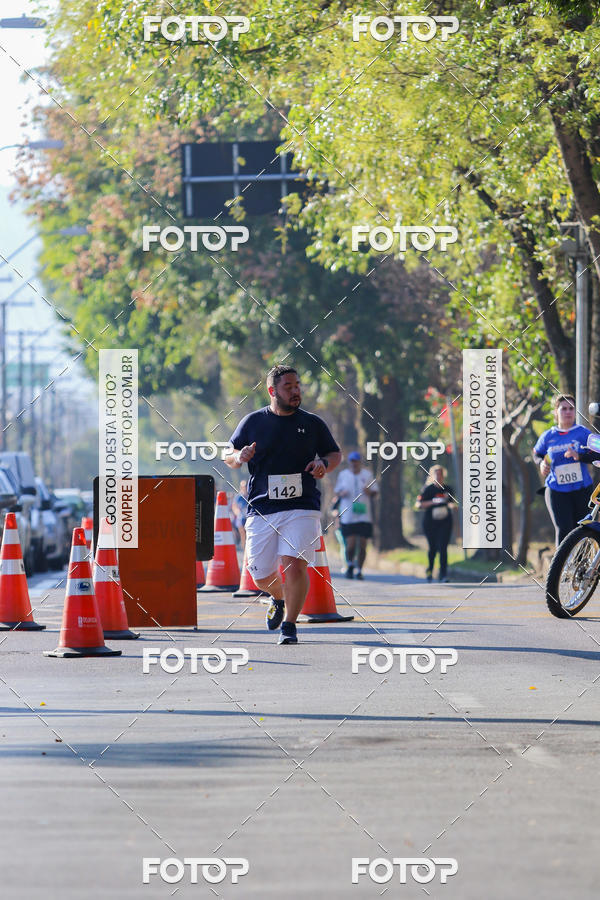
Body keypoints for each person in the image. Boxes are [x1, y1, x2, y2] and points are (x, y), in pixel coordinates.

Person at [226, 365, 341, 644]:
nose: (295, 390)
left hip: (303, 505)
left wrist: (323, 463)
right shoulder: (253, 422)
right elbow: (227, 455)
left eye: (297, 385)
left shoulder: (312, 423)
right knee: (259, 575)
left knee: (294, 564)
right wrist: (240, 456)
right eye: (288, 386)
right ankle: (276, 596)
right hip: (262, 507)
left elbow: (334, 453)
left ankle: (289, 625)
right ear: (272, 391)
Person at [533, 394, 597, 546]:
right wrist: (541, 463)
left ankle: (583, 568)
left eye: (571, 409)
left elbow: (597, 454)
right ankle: (560, 568)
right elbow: (537, 454)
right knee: (564, 528)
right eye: (564, 409)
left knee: (583, 529)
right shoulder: (548, 436)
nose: (568, 412)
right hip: (556, 490)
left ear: (575, 412)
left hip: (582, 489)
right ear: (556, 412)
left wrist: (579, 456)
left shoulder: (582, 433)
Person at [334, 451, 379, 579]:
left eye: (356, 461)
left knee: (363, 544)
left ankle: (359, 569)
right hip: (348, 514)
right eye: (352, 461)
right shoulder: (343, 475)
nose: (354, 464)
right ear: (349, 462)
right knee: (351, 543)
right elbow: (337, 491)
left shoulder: (367, 475)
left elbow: (375, 492)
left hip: (364, 515)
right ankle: (350, 565)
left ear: (360, 462)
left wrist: (369, 491)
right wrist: (342, 493)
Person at [415, 465, 455, 582]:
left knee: (443, 547)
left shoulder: (448, 489)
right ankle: (430, 570)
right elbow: (419, 504)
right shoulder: (428, 489)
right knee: (432, 548)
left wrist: (452, 506)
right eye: (437, 474)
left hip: (445, 522)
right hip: (430, 522)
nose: (439, 476)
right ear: (432, 476)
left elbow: (453, 503)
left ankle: (443, 575)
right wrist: (433, 502)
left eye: (441, 474)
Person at [231, 480, 249, 548]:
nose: (244, 488)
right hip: (241, 517)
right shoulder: (238, 497)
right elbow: (234, 506)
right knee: (242, 533)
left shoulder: (249, 496)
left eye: (245, 486)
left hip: (248, 517)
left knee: (248, 533)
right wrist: (238, 513)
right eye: (243, 486)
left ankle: (247, 547)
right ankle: (243, 546)